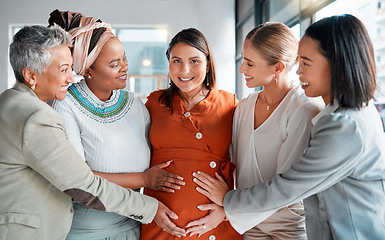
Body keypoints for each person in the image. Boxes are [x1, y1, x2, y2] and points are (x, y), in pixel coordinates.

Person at [193, 14, 385, 240]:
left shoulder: (343, 125)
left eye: (306, 63)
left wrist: (227, 202)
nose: (298, 71)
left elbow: (288, 187)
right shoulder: (346, 114)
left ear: (336, 65)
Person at [0, 25, 186, 240]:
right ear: (31, 76)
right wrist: (150, 207)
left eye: (71, 68)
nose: (71, 78)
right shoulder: (37, 117)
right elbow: (83, 185)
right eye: (63, 70)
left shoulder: (9, 102)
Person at [190, 22, 323, 239]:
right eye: (243, 60)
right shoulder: (244, 106)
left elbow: (285, 188)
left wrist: (227, 207)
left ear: (278, 68)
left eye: (250, 63)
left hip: (287, 229)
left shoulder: (304, 109)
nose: (242, 69)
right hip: (248, 226)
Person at [140, 28, 242, 240]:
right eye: (177, 61)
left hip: (215, 226)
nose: (184, 70)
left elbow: (248, 164)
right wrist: (148, 207)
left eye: (194, 61)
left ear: (207, 63)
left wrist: (226, 210)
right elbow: (136, 160)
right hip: (161, 224)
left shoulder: (230, 104)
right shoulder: (153, 103)